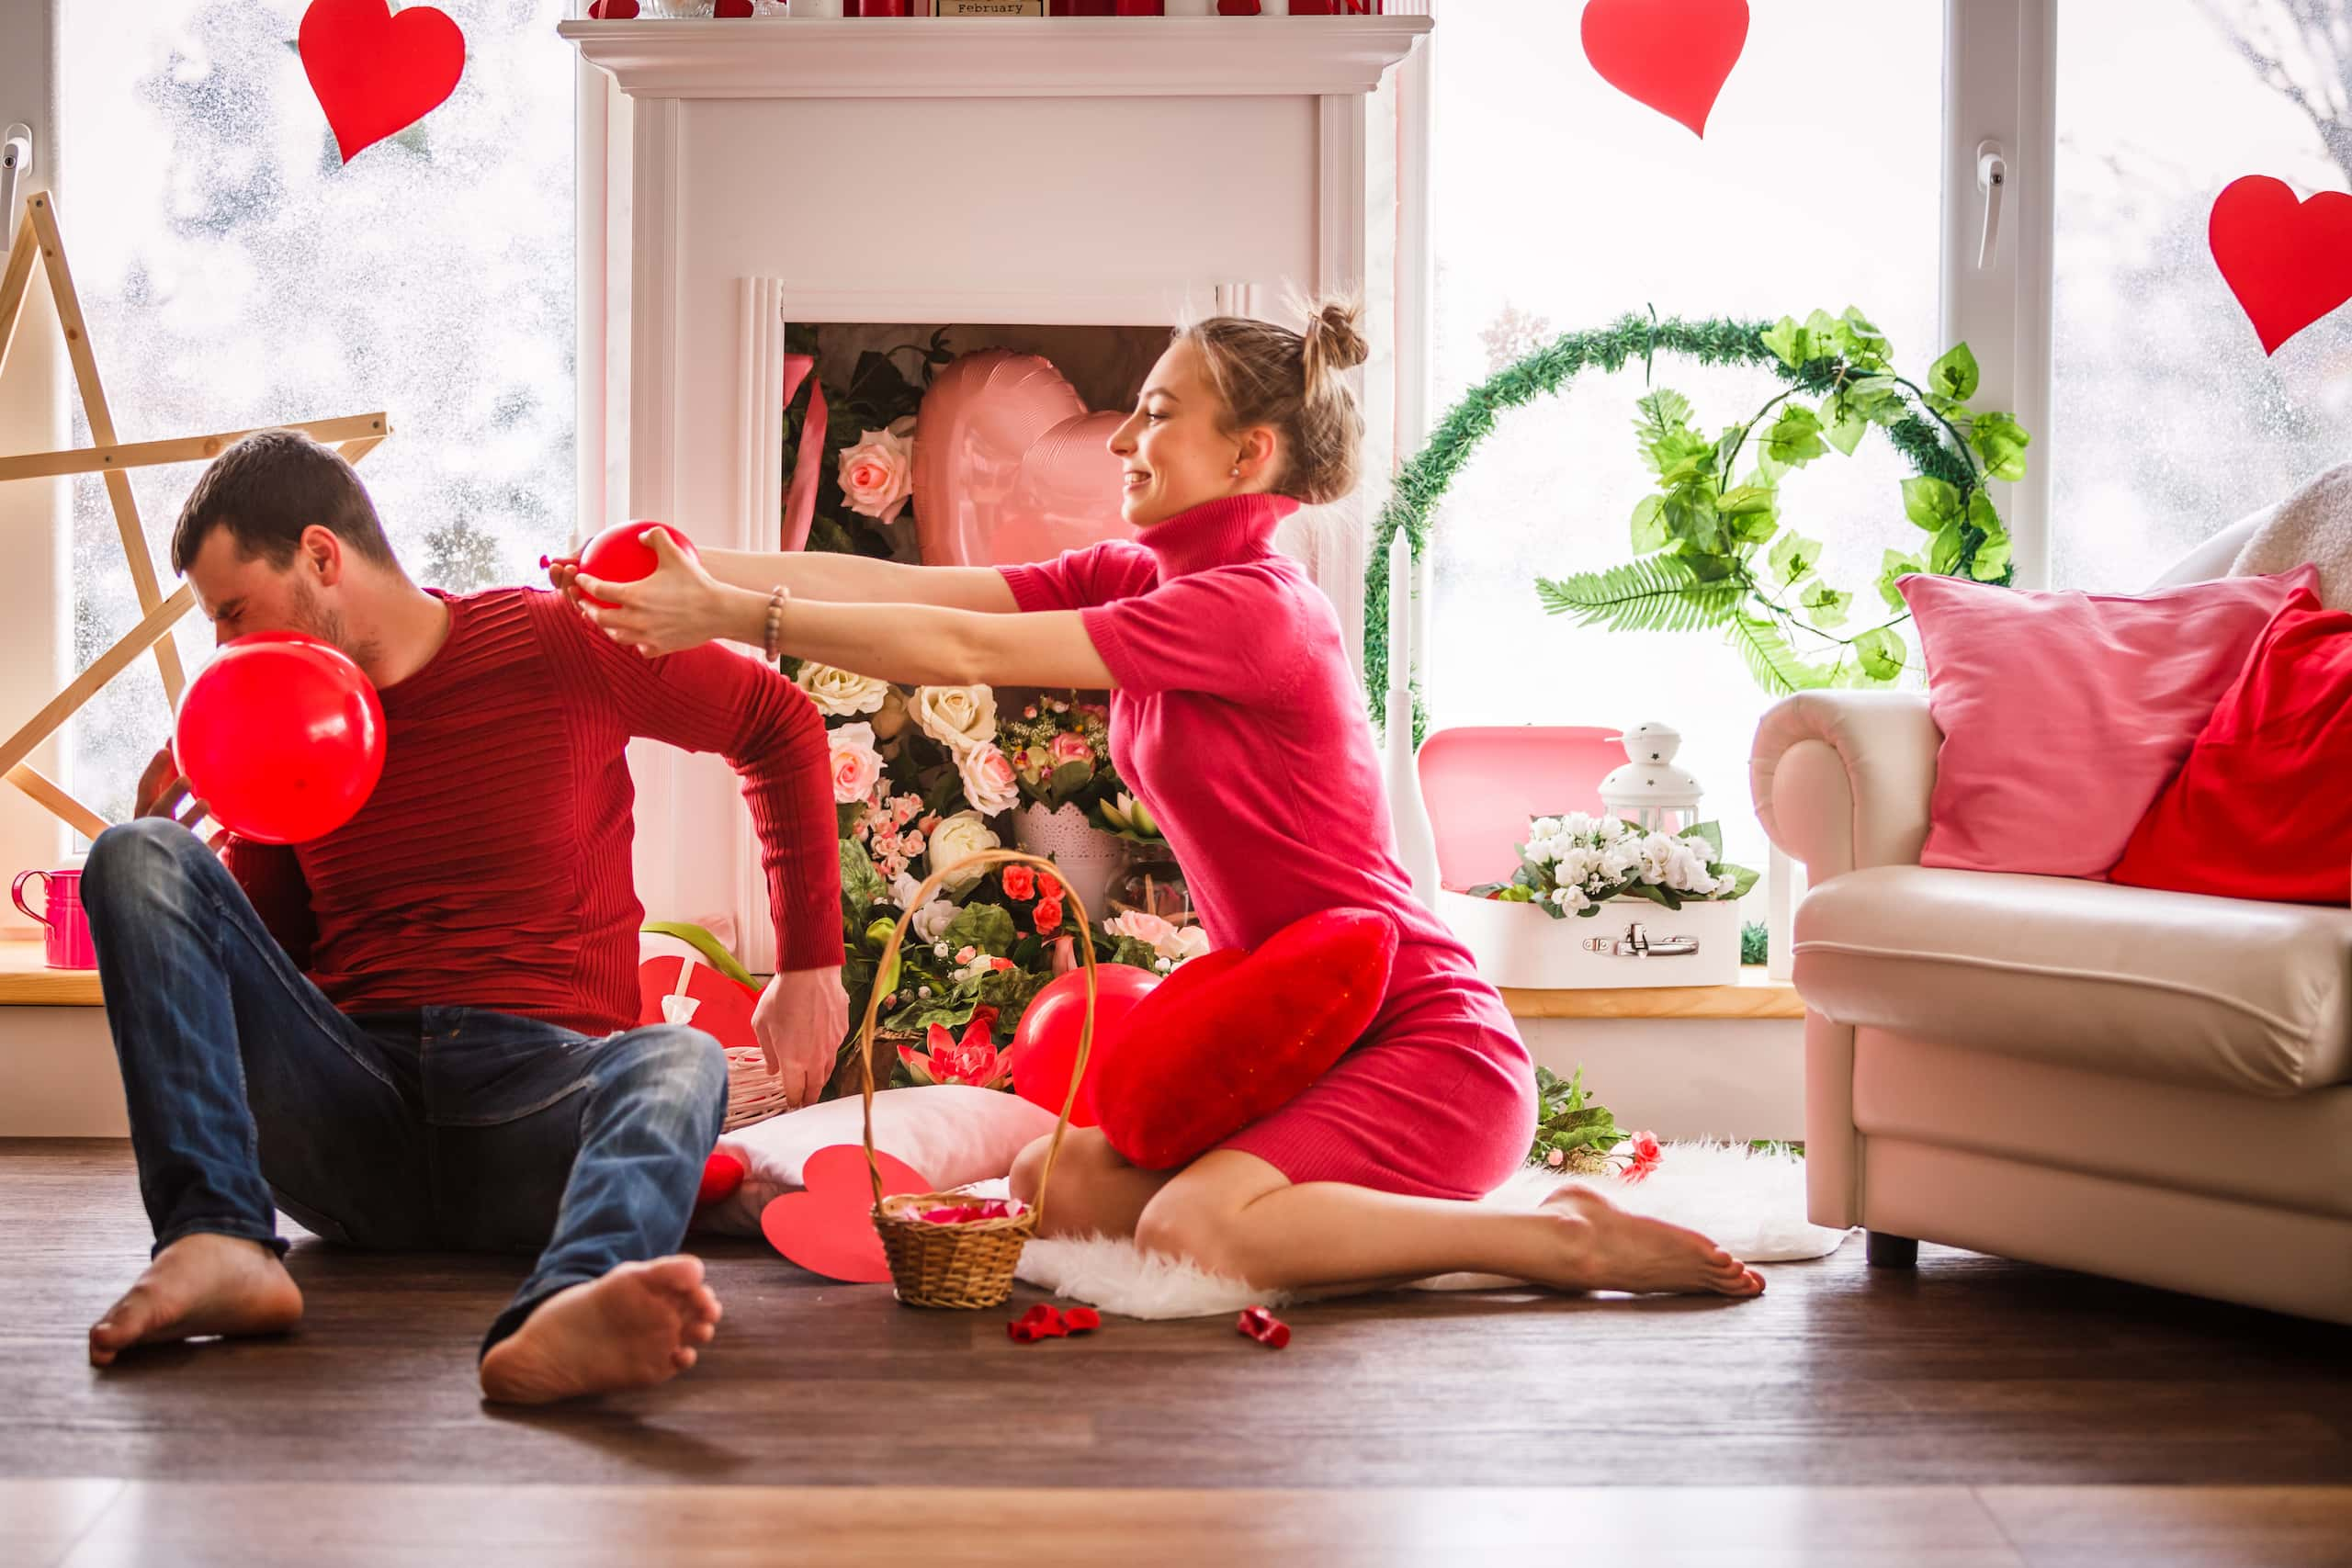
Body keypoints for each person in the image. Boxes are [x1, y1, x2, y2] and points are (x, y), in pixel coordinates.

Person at [557, 302, 1765, 1301]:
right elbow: (927, 588)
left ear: (1248, 457)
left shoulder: (1255, 605)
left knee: (1196, 1229)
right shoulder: (1148, 571)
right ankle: (1371, 1214)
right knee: (1055, 1179)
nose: (1124, 434)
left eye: (1159, 412)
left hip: (1415, 1035)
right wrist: (701, 566)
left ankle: (1557, 1238)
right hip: (1284, 1019)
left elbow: (955, 651)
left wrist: (734, 619)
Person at [82, 429, 850, 1403]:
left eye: (234, 614)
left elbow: (774, 724)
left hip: (538, 1105)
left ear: (322, 556)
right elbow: (273, 957)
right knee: (134, 854)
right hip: (359, 1121)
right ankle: (218, 1240)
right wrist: (208, 837)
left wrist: (809, 964)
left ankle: (570, 1306)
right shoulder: (281, 726)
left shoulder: (557, 640)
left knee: (679, 1056)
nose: (229, 650)